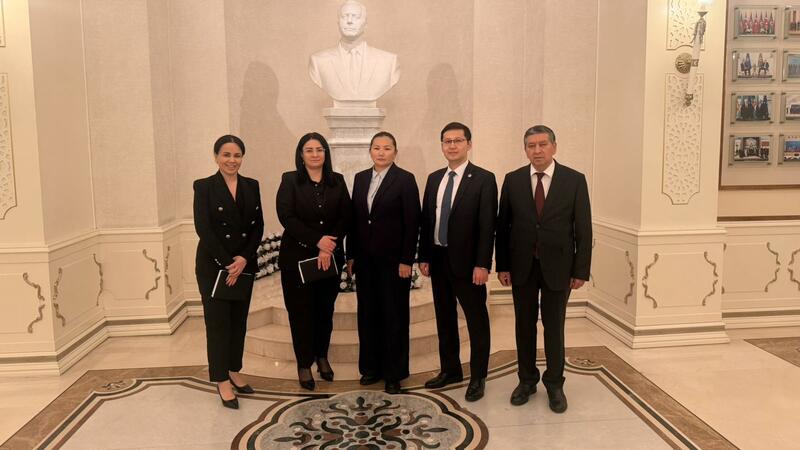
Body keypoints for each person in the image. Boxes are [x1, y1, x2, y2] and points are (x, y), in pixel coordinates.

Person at [495, 125, 592, 412]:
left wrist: (580, 270)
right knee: (524, 326)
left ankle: (554, 384)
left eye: (542, 144)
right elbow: (503, 227)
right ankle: (526, 381)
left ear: (554, 147)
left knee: (554, 327)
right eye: (531, 145)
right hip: (521, 267)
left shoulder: (574, 180)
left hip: (559, 268)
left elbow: (583, 228)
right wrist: (503, 265)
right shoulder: (512, 180)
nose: (537, 150)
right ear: (525, 149)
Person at [418, 122, 497, 402]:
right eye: (447, 141)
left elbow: (488, 225)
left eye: (458, 141)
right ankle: (450, 370)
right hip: (438, 260)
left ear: (468, 144)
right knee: (445, 318)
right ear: (442, 145)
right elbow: (427, 221)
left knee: (476, 321)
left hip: (469, 264)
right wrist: (424, 256)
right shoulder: (434, 178)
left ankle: (478, 377)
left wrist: (482, 264)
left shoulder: (484, 179)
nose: (452, 146)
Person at [346, 131, 420, 394]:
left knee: (394, 317)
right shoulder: (360, 178)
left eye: (387, 148)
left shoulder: (405, 179)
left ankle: (393, 373)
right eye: (376, 147)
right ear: (370, 151)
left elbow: (412, 222)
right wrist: (351, 255)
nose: (381, 152)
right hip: (365, 262)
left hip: (394, 263)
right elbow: (355, 219)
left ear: (395, 152)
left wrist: (406, 260)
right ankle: (371, 368)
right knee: (368, 315)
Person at [193, 135, 264, 410]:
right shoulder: (204, 187)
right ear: (216, 157)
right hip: (214, 267)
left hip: (243, 266)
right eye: (226, 155)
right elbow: (204, 228)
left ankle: (234, 369)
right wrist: (227, 263)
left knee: (238, 322)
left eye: (237, 155)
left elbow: (257, 226)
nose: (231, 160)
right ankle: (221, 379)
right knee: (218, 324)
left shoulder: (251, 185)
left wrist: (243, 259)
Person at [276, 132, 351, 391]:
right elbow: (286, 216)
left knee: (324, 311)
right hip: (297, 260)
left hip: (329, 260)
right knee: (301, 313)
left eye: (319, 149)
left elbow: (345, 216)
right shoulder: (290, 180)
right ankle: (304, 364)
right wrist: (318, 241)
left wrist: (328, 246)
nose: (315, 154)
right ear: (301, 154)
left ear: (326, 153)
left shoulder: (337, 180)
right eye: (309, 150)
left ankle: (321, 356)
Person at [308, 0, 400, 102]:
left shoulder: (389, 62)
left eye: (356, 17)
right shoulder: (318, 62)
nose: (349, 21)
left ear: (365, 24)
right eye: (344, 16)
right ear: (338, 23)